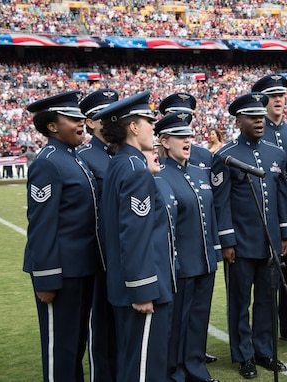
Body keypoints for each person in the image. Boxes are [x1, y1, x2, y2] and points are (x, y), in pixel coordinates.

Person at [94, 91, 177, 382]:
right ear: (133, 126)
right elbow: (135, 235)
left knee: (132, 363)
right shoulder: (135, 170)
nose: (153, 128)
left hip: (127, 284)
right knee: (144, 369)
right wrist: (142, 289)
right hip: (143, 288)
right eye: (148, 121)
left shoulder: (119, 164)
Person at [23, 91, 101, 381]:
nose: (81, 123)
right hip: (61, 273)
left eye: (81, 118)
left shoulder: (74, 157)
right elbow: (42, 225)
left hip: (82, 268)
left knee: (76, 344)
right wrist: (45, 278)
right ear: (52, 126)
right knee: (61, 348)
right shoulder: (48, 162)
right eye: (72, 119)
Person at [211, 93, 287, 379]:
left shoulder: (277, 154)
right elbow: (221, 203)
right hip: (241, 244)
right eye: (252, 117)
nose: (259, 121)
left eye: (261, 116)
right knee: (240, 301)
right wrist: (227, 241)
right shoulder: (225, 156)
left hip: (269, 242)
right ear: (238, 120)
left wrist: (283, 233)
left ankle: (264, 351)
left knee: (268, 300)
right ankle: (244, 355)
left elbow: (281, 199)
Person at [155, 112, 221, 382]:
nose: (187, 141)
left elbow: (212, 215)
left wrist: (215, 252)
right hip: (181, 265)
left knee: (198, 322)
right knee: (177, 325)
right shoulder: (160, 175)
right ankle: (175, 374)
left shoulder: (199, 172)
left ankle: (196, 371)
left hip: (205, 262)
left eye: (189, 136)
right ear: (164, 141)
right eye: (180, 137)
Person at [251, 73, 287, 347]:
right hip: (263, 221)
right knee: (264, 281)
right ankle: (266, 331)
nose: (277, 100)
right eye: (271, 96)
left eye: (280, 95)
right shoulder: (254, 134)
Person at [77, 88, 119, 382]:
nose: (108, 120)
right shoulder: (83, 158)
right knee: (100, 327)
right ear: (89, 122)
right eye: (101, 115)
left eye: (112, 113)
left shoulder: (123, 154)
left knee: (121, 326)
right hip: (97, 258)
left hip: (122, 256)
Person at [159, 92, 213, 173]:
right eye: (176, 117)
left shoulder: (205, 156)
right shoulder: (152, 158)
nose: (182, 121)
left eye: (187, 117)